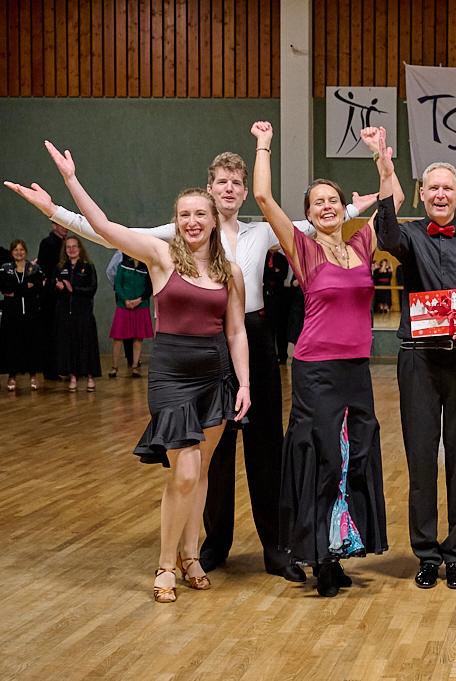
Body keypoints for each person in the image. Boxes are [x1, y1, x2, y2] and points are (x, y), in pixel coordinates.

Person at [10, 149, 376, 582]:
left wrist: (353, 206)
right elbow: (112, 233)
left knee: (266, 449)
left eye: (236, 183)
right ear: (209, 187)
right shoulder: (183, 230)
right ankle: (212, 543)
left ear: (243, 192)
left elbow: (317, 222)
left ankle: (277, 549)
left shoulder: (262, 233)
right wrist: (57, 210)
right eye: (221, 182)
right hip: (205, 341)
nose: (228, 189)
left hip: (252, 337)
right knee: (211, 456)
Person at [8, 141, 252, 603]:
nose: (194, 222)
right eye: (185, 215)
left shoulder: (230, 271)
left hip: (216, 377)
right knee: (182, 473)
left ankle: (191, 554)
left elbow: (236, 332)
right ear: (177, 220)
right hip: (173, 379)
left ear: (213, 217)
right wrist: (68, 184)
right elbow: (103, 227)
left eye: (200, 214)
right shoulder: (161, 256)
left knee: (201, 473)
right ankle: (165, 566)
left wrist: (244, 383)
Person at [250, 121, 392, 596]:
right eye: (318, 203)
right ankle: (318, 556)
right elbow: (264, 200)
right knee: (323, 458)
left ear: (342, 206)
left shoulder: (361, 244)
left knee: (355, 457)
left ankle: (342, 544)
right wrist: (265, 145)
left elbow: (391, 199)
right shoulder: (304, 250)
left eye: (333, 200)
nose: (327, 207)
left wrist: (380, 155)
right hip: (316, 369)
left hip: (356, 369)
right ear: (309, 213)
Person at [374, 159, 456, 591]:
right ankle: (426, 553)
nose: (440, 195)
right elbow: (385, 233)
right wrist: (383, 167)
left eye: (447, 188)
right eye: (432, 187)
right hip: (419, 360)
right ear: (423, 192)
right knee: (420, 459)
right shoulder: (408, 234)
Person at [53, 235, 101, 392]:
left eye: (74, 246)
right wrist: (58, 288)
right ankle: (72, 377)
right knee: (70, 346)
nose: (71, 249)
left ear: (80, 248)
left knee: (87, 345)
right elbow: (54, 290)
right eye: (68, 247)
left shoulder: (88, 267)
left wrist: (73, 289)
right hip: (67, 314)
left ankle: (90, 377)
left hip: (84, 313)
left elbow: (92, 289)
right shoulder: (61, 267)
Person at [1, 239, 45, 391]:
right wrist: (26, 286)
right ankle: (12, 376)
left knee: (31, 344)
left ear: (26, 251)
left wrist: (19, 289)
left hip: (31, 313)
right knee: (13, 345)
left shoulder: (34, 268)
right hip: (12, 314)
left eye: (21, 249)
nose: (19, 252)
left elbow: (38, 287)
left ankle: (33, 375)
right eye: (15, 250)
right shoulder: (5, 268)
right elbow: (4, 287)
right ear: (11, 252)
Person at [109, 253, 154, 378]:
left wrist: (139, 300)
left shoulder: (146, 266)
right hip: (123, 305)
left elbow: (149, 287)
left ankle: (135, 367)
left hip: (141, 305)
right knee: (118, 337)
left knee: (138, 337)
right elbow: (118, 285)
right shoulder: (123, 264)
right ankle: (114, 367)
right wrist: (125, 300)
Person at [36, 221, 67, 380]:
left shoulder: (66, 244)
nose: (65, 228)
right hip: (50, 294)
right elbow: (45, 269)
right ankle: (50, 369)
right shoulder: (47, 243)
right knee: (50, 331)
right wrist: (55, 282)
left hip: (63, 294)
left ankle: (62, 366)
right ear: (54, 225)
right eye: (62, 225)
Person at [262, 249, 292, 364]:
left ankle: (282, 356)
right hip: (266, 298)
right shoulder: (263, 256)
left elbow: (282, 275)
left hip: (280, 298)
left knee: (281, 328)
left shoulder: (281, 257)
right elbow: (263, 274)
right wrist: (273, 272)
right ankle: (270, 355)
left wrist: (272, 272)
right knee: (268, 329)